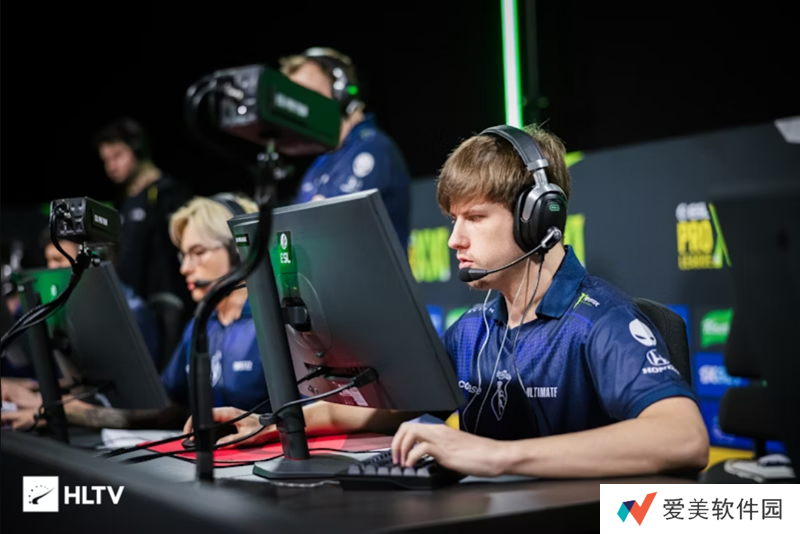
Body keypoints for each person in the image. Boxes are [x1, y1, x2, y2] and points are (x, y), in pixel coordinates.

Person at [188, 124, 709, 479]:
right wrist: (268, 421)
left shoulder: (599, 320)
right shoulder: (472, 329)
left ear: (538, 217)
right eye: (453, 220)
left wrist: (494, 456)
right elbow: (390, 411)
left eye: (475, 218)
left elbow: (684, 438)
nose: (455, 240)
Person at [2, 194, 270, 431]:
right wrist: (53, 404)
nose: (185, 268)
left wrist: (61, 411)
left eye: (198, 252)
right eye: (183, 255)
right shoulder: (202, 326)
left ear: (240, 251)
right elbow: (164, 408)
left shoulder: (270, 326)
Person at [280, 47, 411, 249]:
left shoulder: (374, 148)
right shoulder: (321, 162)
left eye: (306, 94)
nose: (300, 106)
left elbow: (325, 228)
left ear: (341, 91)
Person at [94, 118, 192, 313]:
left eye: (117, 156)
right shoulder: (123, 201)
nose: (111, 166)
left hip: (168, 308)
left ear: (137, 149)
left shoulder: (169, 192)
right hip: (132, 306)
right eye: (106, 161)